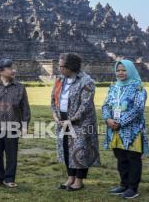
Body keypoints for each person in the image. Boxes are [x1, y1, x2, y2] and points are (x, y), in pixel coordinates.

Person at [51, 53, 100, 191]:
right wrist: (55, 116)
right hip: (62, 119)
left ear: (71, 67)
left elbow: (85, 105)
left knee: (80, 150)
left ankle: (79, 181)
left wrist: (71, 120)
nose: (59, 69)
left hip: (81, 122)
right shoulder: (60, 80)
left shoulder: (86, 81)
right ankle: (70, 178)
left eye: (62, 66)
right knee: (66, 148)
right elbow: (54, 98)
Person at [0, 58, 31, 188]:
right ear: (1, 71)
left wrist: (24, 126)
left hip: (13, 126)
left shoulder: (20, 87)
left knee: (11, 155)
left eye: (13, 68)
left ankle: (9, 179)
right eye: (10, 68)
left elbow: (25, 108)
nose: (13, 70)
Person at [102, 59, 148, 199]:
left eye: (123, 70)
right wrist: (108, 119)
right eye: (118, 70)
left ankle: (133, 188)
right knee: (120, 158)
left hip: (132, 130)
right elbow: (105, 105)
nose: (120, 73)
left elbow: (137, 109)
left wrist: (120, 123)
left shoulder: (138, 88)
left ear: (131, 70)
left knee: (133, 158)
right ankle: (124, 184)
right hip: (115, 130)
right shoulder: (113, 87)